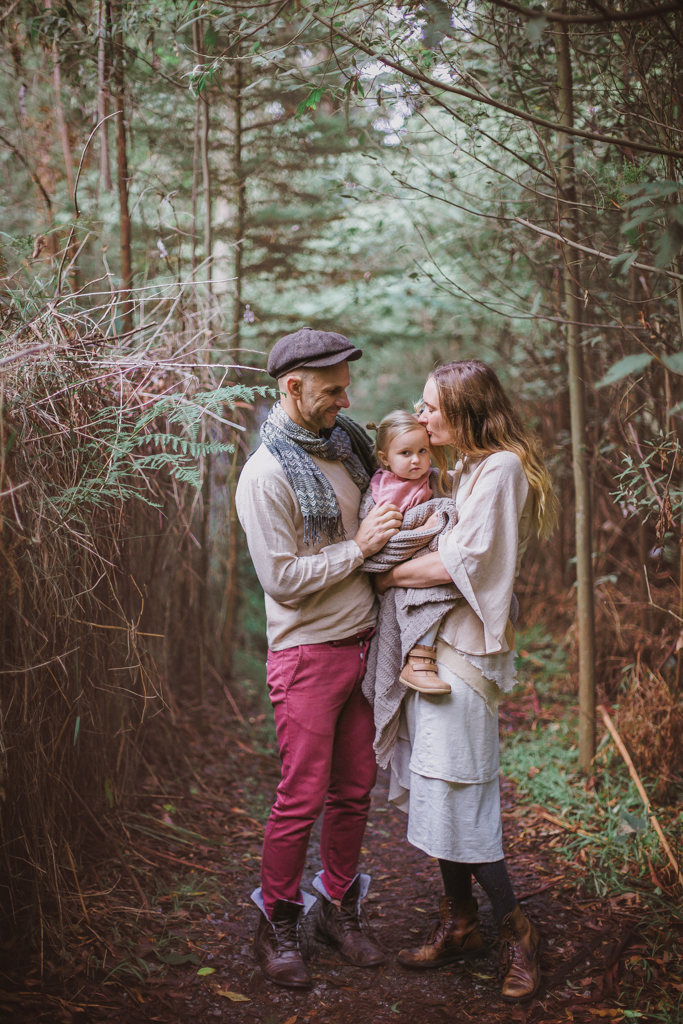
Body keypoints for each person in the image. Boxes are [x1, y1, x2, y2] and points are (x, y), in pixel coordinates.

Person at [373, 360, 557, 1004]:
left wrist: (386, 576)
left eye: (431, 408)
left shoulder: (501, 468)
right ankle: (461, 926)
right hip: (440, 656)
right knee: (437, 794)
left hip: (464, 663)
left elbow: (465, 560)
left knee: (464, 800)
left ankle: (519, 934)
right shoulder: (472, 468)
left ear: (464, 411)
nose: (421, 417)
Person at [235, 327, 403, 990]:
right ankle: (274, 922)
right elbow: (281, 578)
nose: (346, 398)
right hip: (307, 655)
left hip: (364, 647)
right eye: (332, 389)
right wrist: (359, 549)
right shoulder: (266, 474)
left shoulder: (348, 446)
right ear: (291, 387)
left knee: (354, 791)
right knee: (300, 797)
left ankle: (338, 908)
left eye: (345, 386)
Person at [365, 409, 454, 695]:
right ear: (385, 459)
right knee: (426, 596)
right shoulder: (385, 495)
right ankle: (418, 659)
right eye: (405, 453)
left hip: (424, 562)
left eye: (422, 451)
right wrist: (425, 530)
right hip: (401, 572)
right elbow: (385, 546)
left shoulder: (433, 478)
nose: (416, 460)